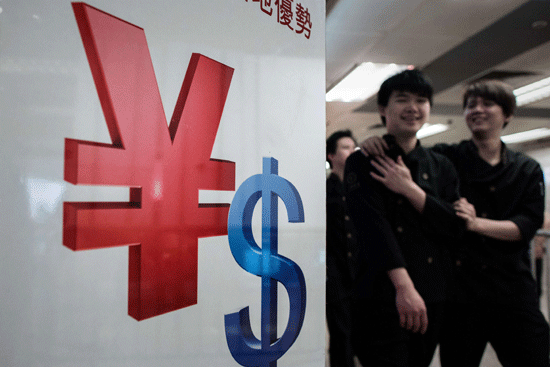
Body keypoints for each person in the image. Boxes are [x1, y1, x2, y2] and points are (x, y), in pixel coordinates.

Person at [361, 79, 550, 366]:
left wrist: (474, 224)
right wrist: (374, 142)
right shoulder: (446, 159)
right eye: (471, 105)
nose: (478, 110)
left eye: (488, 104)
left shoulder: (526, 169)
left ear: (508, 114)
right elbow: (407, 155)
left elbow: (525, 227)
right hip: (460, 292)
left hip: (512, 289)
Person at [343, 69, 464, 366]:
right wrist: (404, 287)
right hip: (381, 294)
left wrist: (411, 190)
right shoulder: (363, 161)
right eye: (403, 99)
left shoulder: (442, 165)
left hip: (433, 293)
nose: (413, 107)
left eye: (421, 100)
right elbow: (374, 229)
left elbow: (456, 225)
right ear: (384, 109)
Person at [326, 130, 358, 367]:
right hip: (335, 273)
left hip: (362, 271)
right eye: (346, 147)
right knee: (342, 334)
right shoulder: (323, 190)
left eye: (353, 147)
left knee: (363, 332)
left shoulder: (362, 188)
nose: (352, 151)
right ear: (331, 155)